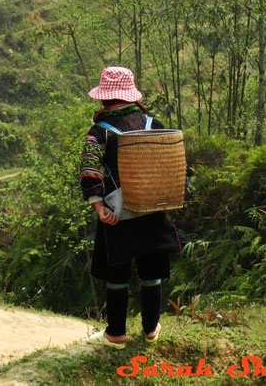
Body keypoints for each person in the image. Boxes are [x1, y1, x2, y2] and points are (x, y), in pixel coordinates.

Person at [80, 66, 181, 349]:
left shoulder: (100, 131)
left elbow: (90, 170)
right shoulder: (153, 124)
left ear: (104, 99)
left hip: (117, 215)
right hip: (152, 209)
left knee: (117, 273)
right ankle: (150, 329)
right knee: (152, 272)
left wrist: (99, 206)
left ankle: (116, 334)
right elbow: (170, 164)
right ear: (131, 96)